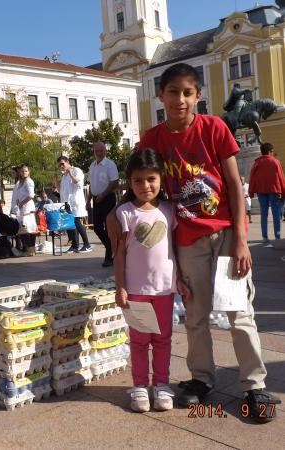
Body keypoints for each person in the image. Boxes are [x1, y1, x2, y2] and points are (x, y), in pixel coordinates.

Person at [110, 63, 278, 422]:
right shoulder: (152, 138)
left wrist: (242, 240)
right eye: (173, 92)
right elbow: (141, 180)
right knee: (196, 316)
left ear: (197, 96)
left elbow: (234, 184)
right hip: (187, 240)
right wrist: (117, 214)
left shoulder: (214, 127)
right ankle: (202, 379)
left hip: (225, 234)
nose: (180, 100)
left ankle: (253, 383)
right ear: (161, 96)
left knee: (239, 312)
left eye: (187, 93)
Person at [115, 149, 191, 412]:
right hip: (135, 291)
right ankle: (139, 386)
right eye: (138, 180)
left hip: (165, 290)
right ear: (129, 181)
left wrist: (179, 278)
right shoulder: (125, 213)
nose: (145, 186)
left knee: (163, 340)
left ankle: (161, 385)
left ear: (161, 179)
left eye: (151, 179)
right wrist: (120, 287)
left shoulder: (169, 210)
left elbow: (176, 248)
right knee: (138, 341)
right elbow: (119, 254)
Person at [88, 141, 119, 266]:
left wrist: (103, 194)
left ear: (105, 151)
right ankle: (111, 248)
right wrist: (88, 199)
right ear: (94, 152)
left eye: (101, 151)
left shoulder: (110, 165)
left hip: (107, 198)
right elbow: (91, 184)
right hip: (96, 199)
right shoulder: (92, 165)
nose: (99, 153)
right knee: (97, 228)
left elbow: (114, 182)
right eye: (97, 151)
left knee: (109, 227)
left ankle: (109, 256)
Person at [248, 142, 285, 243]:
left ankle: (265, 237)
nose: (273, 153)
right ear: (269, 152)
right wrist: (284, 191)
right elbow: (281, 178)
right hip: (274, 190)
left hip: (261, 191)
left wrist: (251, 192)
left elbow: (252, 178)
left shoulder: (257, 163)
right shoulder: (275, 162)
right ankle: (277, 237)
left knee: (263, 214)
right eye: (272, 151)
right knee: (276, 213)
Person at [58, 156, 92, 253]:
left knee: (77, 223)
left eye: (62, 164)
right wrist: (56, 183)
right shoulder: (64, 176)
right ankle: (74, 245)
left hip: (76, 202)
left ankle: (87, 244)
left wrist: (71, 174)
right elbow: (62, 191)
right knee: (70, 225)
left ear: (68, 162)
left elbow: (79, 183)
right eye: (59, 165)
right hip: (67, 203)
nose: (61, 166)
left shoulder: (77, 170)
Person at [13, 164, 37, 256]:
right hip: (22, 208)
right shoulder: (20, 182)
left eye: (26, 171)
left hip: (28, 208)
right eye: (22, 171)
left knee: (28, 229)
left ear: (29, 172)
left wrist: (21, 202)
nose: (24, 173)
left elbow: (31, 195)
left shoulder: (29, 182)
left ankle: (30, 249)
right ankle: (30, 249)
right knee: (25, 229)